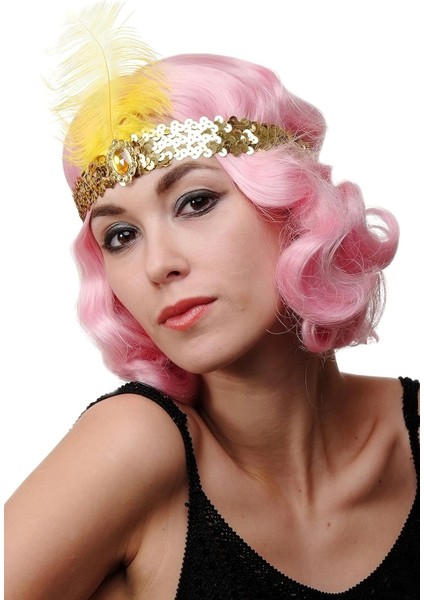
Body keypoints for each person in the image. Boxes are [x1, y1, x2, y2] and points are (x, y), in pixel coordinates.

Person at [4, 3, 419, 599]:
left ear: (293, 206)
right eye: (120, 236)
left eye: (195, 202)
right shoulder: (134, 445)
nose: (157, 265)